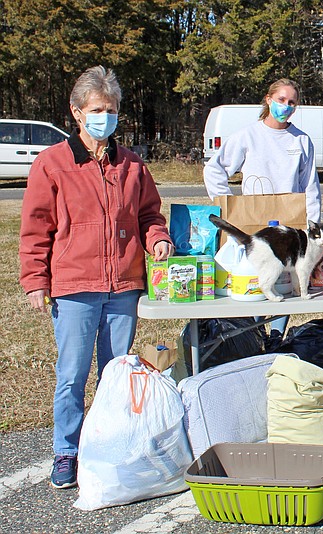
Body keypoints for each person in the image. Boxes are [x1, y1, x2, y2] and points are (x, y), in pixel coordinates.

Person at [19, 65, 174, 488]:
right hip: (74, 287)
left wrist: (157, 238)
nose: (104, 116)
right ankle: (66, 451)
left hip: (124, 286)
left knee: (115, 373)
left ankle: (109, 445)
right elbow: (36, 227)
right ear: (76, 112)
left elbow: (149, 215)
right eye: (96, 109)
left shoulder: (132, 165)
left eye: (111, 109)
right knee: (72, 374)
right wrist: (35, 279)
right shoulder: (52, 164)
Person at [203, 78, 322, 223]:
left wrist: (312, 224)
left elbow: (310, 187)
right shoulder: (247, 136)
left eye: (291, 103)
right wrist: (230, 205)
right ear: (269, 99)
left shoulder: (301, 140)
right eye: (281, 99)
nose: (286, 106)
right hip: (254, 219)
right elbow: (214, 170)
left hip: (291, 219)